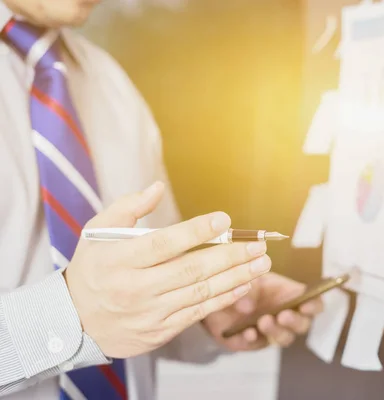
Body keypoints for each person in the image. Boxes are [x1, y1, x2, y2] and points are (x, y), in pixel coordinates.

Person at [0, 0, 324, 399]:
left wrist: (202, 306)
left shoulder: (111, 85)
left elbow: (130, 303)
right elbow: (92, 314)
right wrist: (70, 315)